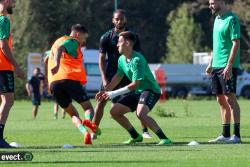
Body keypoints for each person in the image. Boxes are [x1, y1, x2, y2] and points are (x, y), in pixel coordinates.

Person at [96, 31, 172, 145]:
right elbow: (118, 76)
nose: (117, 45)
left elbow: (135, 84)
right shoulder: (121, 59)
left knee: (140, 113)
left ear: (127, 43)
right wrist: (105, 91)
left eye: (119, 42)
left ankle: (165, 139)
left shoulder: (137, 60)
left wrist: (113, 94)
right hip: (138, 92)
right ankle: (135, 136)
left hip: (150, 90)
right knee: (114, 112)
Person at [93, 9, 152, 139]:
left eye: (121, 19)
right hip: (111, 74)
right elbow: (101, 59)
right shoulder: (106, 37)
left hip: (128, 72)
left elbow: (138, 56)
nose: (119, 21)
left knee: (139, 100)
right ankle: (94, 130)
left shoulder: (133, 36)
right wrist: (104, 78)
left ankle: (145, 130)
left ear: (125, 20)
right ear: (113, 20)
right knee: (101, 101)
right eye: (117, 19)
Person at [47, 24, 97, 144]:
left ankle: (84, 132)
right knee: (88, 108)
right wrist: (58, 65)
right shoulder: (73, 41)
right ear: (77, 34)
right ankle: (88, 121)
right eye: (84, 38)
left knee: (73, 114)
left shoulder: (57, 41)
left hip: (54, 82)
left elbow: (49, 57)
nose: (84, 42)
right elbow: (61, 50)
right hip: (68, 78)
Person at [206, 0, 241, 143]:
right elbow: (217, 44)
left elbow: (236, 43)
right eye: (209, 3)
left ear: (221, 2)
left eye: (213, 3)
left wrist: (229, 65)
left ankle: (236, 136)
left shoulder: (232, 19)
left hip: (228, 66)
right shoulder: (217, 19)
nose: (210, 6)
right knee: (220, 99)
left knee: (230, 99)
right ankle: (225, 134)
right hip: (216, 65)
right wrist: (210, 63)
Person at [0, 0, 25, 148]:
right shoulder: (3, 19)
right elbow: (3, 45)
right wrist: (16, 66)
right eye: (14, 1)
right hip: (2, 66)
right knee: (8, 100)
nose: (15, 5)